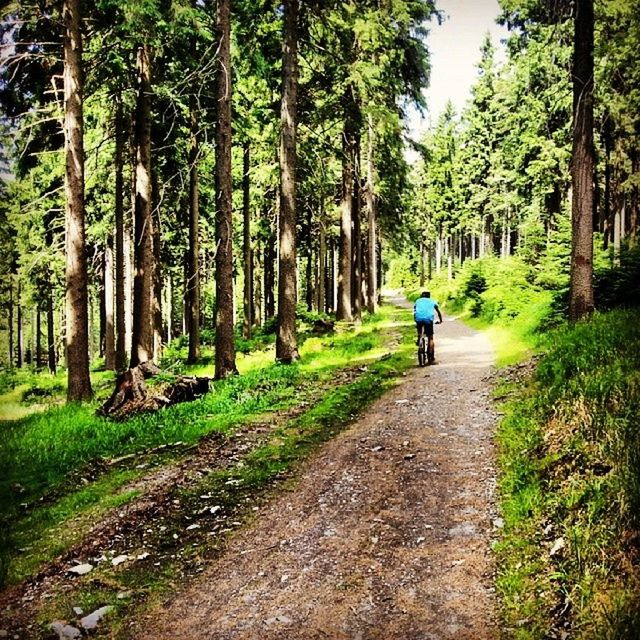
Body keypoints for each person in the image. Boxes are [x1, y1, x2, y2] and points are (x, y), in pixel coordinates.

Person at [413, 291, 443, 364]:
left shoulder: (418, 300)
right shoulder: (432, 301)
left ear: (421, 296)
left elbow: (415, 309)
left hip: (418, 319)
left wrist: (415, 319)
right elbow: (438, 311)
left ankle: (419, 338)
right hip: (428, 320)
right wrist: (440, 320)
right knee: (430, 338)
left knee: (419, 330)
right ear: (429, 296)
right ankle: (431, 358)